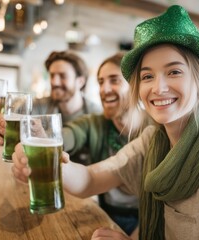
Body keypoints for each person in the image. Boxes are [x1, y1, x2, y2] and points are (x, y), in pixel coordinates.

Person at [12, 5, 199, 240]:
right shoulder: (152, 141)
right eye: (147, 76)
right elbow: (90, 179)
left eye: (174, 71)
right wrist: (48, 160)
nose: (159, 88)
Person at [62, 52, 148, 235]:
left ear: (135, 85)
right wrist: (38, 135)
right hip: (105, 216)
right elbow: (68, 135)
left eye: (114, 80)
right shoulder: (94, 123)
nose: (104, 89)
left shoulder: (155, 129)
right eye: (101, 82)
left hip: (147, 222)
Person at [0, 50, 102, 163]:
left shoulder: (96, 114)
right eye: (52, 75)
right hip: (40, 179)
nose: (55, 81)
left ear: (80, 81)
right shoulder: (36, 106)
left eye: (62, 76)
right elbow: (0, 135)